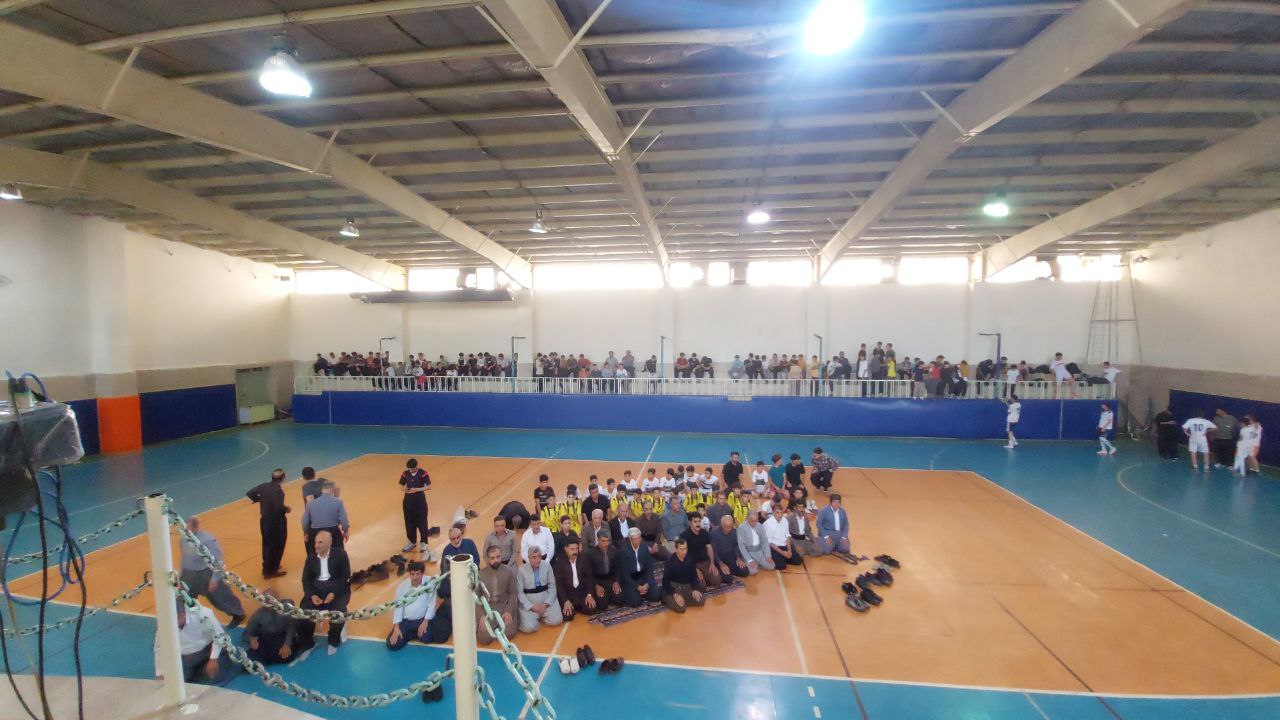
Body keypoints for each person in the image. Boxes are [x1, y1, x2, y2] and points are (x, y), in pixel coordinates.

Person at [179, 516, 245, 627]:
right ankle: (188, 620)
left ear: (196, 528)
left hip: (207, 572)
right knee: (185, 598)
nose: (186, 531)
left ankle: (238, 613)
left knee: (220, 597)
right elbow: (184, 557)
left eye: (188, 529)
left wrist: (214, 579)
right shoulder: (184, 539)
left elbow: (218, 560)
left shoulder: (208, 540)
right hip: (189, 573)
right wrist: (181, 576)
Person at [154, 600, 235, 684]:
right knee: (176, 683)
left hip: (208, 650)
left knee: (215, 679)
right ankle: (198, 671)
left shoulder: (202, 614)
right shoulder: (165, 623)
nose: (172, 623)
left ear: (183, 614)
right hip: (187, 658)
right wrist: (160, 673)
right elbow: (159, 648)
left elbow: (219, 635)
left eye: (175, 618)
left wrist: (213, 659)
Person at [299, 530, 351, 655]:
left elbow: (345, 576)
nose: (316, 545)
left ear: (329, 543)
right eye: (315, 542)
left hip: (336, 589)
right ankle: (307, 642)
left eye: (320, 542)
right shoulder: (311, 558)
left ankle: (333, 640)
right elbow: (306, 580)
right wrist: (312, 595)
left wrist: (333, 593)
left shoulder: (341, 554)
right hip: (317, 589)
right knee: (303, 612)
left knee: (339, 612)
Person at [386, 560, 450, 649]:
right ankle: (410, 633)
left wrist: (425, 621)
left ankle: (412, 634)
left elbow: (431, 604)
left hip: (421, 620)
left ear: (422, 573)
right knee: (392, 645)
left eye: (418, 574)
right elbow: (398, 607)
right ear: (409, 574)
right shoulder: (402, 587)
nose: (415, 577)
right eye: (412, 574)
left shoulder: (429, 583)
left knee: (426, 638)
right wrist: (396, 627)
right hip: (405, 622)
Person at [243, 588, 313, 666]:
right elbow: (247, 632)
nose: (269, 603)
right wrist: (251, 639)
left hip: (282, 636)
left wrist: (287, 644)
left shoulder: (287, 607)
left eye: (271, 600)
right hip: (267, 637)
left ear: (278, 599)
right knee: (253, 661)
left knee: (286, 656)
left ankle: (268, 656)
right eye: (266, 601)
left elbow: (291, 627)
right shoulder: (259, 613)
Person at [246, 469, 290, 578]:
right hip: (277, 522)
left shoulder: (264, 486)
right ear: (283, 478)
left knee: (267, 545)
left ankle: (267, 567)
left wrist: (258, 499)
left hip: (265, 521)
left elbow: (250, 493)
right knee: (278, 545)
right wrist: (286, 509)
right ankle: (272, 570)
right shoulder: (278, 491)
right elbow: (278, 507)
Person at [554, 534, 602, 619]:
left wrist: (589, 595)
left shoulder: (584, 558)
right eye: (572, 549)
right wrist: (565, 600)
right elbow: (559, 584)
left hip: (582, 594)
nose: (575, 552)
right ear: (566, 549)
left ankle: (578, 607)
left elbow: (589, 577)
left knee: (592, 609)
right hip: (568, 595)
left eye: (576, 549)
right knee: (567, 616)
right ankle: (573, 607)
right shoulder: (560, 562)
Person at [478, 545, 519, 644]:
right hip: (488, 610)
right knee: (484, 638)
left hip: (504, 607)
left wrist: (509, 611)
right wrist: (481, 616)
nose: (496, 560)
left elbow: (513, 594)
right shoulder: (480, 575)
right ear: (487, 559)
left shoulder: (509, 572)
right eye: (492, 558)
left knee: (508, 634)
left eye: (498, 557)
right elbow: (477, 598)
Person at [516, 547, 562, 632]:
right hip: (530, 601)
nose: (537, 560)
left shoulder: (547, 566)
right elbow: (519, 592)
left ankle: (541, 615)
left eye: (539, 556)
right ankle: (534, 617)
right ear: (529, 558)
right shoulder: (521, 570)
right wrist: (531, 606)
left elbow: (552, 587)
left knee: (557, 620)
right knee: (529, 628)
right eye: (534, 557)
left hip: (546, 598)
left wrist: (546, 604)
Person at [301, 480, 349, 553]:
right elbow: (344, 519)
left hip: (315, 532)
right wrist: (345, 531)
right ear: (333, 490)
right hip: (333, 532)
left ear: (322, 490)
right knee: (337, 554)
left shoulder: (311, 503)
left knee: (315, 555)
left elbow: (304, 521)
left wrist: (306, 532)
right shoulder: (338, 502)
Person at [618, 528, 661, 606]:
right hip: (632, 580)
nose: (637, 541)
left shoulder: (644, 547)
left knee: (656, 595)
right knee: (635, 602)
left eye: (639, 538)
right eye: (635, 539)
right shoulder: (624, 551)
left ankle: (643, 592)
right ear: (630, 539)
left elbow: (649, 567)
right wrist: (637, 587)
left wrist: (647, 583)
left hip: (643, 577)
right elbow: (624, 574)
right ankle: (637, 593)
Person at [679, 512, 722, 589]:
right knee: (702, 586)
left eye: (699, 521)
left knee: (717, 581)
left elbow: (709, 548)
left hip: (705, 562)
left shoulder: (704, 533)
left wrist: (712, 563)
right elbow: (683, 555)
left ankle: (704, 577)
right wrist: (694, 568)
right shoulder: (683, 536)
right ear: (690, 523)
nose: (698, 524)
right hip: (692, 564)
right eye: (695, 522)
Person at [661, 538, 705, 613]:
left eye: (685, 549)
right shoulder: (670, 561)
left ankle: (682, 599)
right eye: (681, 549)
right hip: (673, 587)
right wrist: (675, 594)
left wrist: (695, 589)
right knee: (681, 608)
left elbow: (694, 576)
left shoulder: (690, 559)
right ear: (676, 549)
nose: (684, 552)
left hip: (686, 586)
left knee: (701, 601)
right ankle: (667, 597)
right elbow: (665, 581)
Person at [399, 458, 431, 553]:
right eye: (410, 468)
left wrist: (417, 489)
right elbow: (401, 485)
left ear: (417, 466)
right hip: (408, 501)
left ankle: (424, 542)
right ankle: (411, 542)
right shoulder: (405, 473)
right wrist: (405, 489)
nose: (411, 470)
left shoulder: (423, 473)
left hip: (420, 501)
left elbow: (429, 486)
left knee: (422, 522)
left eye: (413, 468)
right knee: (409, 522)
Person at [586, 529, 623, 608]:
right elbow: (589, 573)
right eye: (603, 541)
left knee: (620, 600)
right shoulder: (590, 553)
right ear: (598, 540)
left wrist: (616, 581)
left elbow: (617, 568)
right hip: (598, 581)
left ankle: (610, 596)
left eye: (608, 541)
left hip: (611, 579)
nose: (606, 544)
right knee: (602, 605)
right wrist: (596, 586)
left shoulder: (613, 550)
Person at [710, 515, 750, 580]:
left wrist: (738, 558)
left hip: (731, 557)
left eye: (731, 526)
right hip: (720, 559)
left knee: (745, 572)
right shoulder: (714, 533)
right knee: (728, 578)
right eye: (727, 527)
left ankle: (730, 571)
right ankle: (728, 572)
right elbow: (714, 551)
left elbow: (735, 545)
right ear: (721, 525)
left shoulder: (734, 531)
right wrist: (721, 564)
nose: (729, 529)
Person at [736, 510, 774, 574]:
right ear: (747, 519)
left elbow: (765, 541)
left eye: (756, 521)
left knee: (772, 566)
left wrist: (768, 556)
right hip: (749, 553)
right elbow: (741, 546)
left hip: (760, 552)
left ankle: (758, 563)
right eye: (752, 521)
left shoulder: (760, 526)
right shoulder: (741, 528)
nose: (754, 523)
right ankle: (754, 563)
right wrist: (749, 560)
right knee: (753, 571)